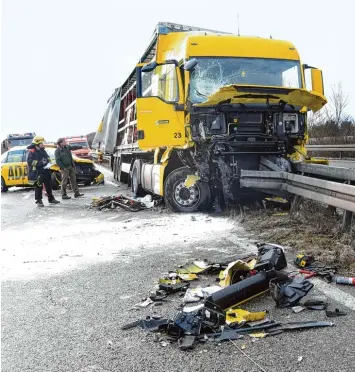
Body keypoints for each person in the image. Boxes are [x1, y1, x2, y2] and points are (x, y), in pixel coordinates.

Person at [27, 136, 60, 207]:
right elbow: (30, 162)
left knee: (48, 185)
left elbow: (47, 158)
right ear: (37, 143)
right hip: (38, 172)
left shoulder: (43, 150)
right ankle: (39, 201)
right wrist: (41, 162)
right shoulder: (32, 151)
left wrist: (48, 161)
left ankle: (51, 199)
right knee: (38, 186)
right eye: (41, 143)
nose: (43, 144)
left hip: (46, 170)